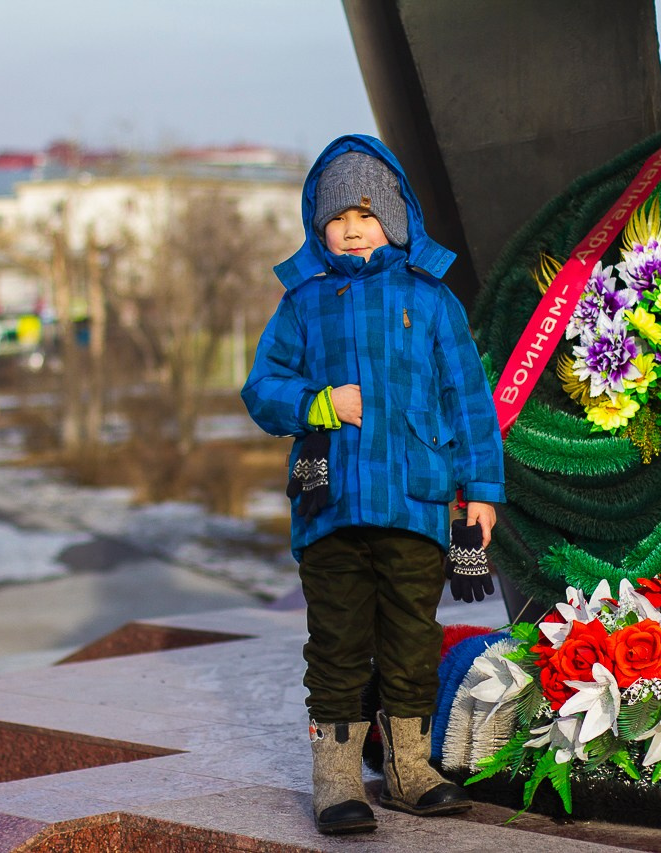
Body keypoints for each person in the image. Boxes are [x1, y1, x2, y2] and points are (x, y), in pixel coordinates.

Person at [241, 134, 505, 835]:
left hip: (415, 499)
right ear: (317, 224)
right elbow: (263, 386)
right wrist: (318, 405)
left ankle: (410, 767)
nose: (352, 226)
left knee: (412, 636)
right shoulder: (304, 302)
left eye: (366, 211)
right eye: (337, 216)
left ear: (396, 215)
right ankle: (335, 778)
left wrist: (480, 488)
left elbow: (469, 399)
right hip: (330, 503)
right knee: (336, 639)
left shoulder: (432, 298)